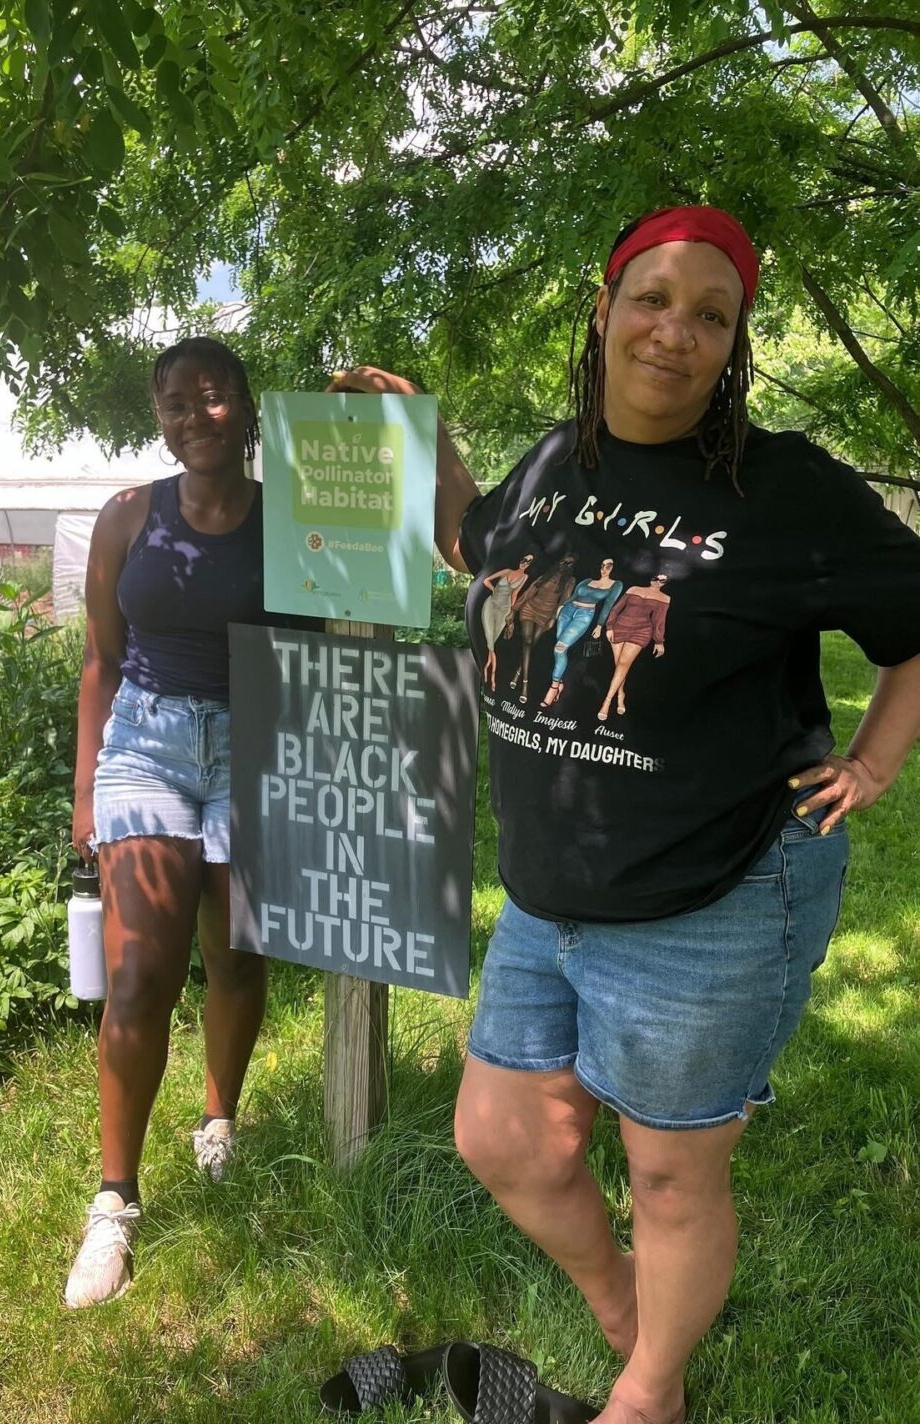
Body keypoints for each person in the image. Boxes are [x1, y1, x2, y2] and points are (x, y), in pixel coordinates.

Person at [330, 205, 920, 1424]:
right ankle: (626, 1306)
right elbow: (468, 540)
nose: (677, 331)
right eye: (653, 298)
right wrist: (429, 436)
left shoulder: (786, 486)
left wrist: (874, 759)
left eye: (713, 314)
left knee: (670, 1166)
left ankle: (649, 1389)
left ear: (737, 341)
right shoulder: (554, 464)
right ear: (603, 310)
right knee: (505, 1137)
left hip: (713, 887)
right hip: (553, 886)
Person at [66, 336, 299, 1309]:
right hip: (148, 746)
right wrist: (87, 790)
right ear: (157, 415)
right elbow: (99, 660)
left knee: (237, 956)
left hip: (254, 744)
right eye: (174, 400)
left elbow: (323, 648)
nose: (193, 414)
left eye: (213, 397)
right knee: (137, 975)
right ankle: (115, 1201)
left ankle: (219, 1117)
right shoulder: (127, 518)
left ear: (247, 412)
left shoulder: (292, 523)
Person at [540, 557, 624, 708]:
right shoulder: (586, 581)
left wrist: (599, 625)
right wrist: (562, 607)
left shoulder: (615, 585)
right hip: (567, 611)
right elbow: (572, 597)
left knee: (559, 649)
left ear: (614, 568)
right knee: (559, 649)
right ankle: (559, 683)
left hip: (584, 615)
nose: (604, 569)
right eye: (602, 565)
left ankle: (553, 687)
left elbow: (608, 605)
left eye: (609, 566)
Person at [597, 572, 671, 720]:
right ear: (650, 577)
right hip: (620, 627)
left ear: (666, 584)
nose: (658, 582)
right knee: (619, 664)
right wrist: (609, 626)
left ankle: (607, 701)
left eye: (662, 581)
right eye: (656, 578)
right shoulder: (634, 589)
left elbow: (659, 621)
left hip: (642, 631)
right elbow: (616, 608)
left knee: (624, 664)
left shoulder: (665, 598)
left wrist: (659, 641)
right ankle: (620, 694)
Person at [508, 555, 577, 704]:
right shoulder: (546, 575)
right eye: (563, 561)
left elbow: (563, 602)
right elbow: (529, 592)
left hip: (546, 615)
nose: (564, 564)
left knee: (532, 645)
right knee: (527, 640)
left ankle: (518, 672)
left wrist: (553, 619)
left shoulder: (569, 581)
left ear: (572, 567)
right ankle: (525, 685)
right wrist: (514, 610)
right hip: (529, 608)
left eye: (569, 563)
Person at [480, 553, 534, 689]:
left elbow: (515, 594)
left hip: (504, 609)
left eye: (528, 562)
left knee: (493, 641)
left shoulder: (525, 577)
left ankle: (491, 676)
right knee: (489, 639)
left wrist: (511, 612)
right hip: (491, 604)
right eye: (524, 559)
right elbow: (486, 580)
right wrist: (494, 590)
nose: (524, 563)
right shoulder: (507, 571)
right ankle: (490, 676)